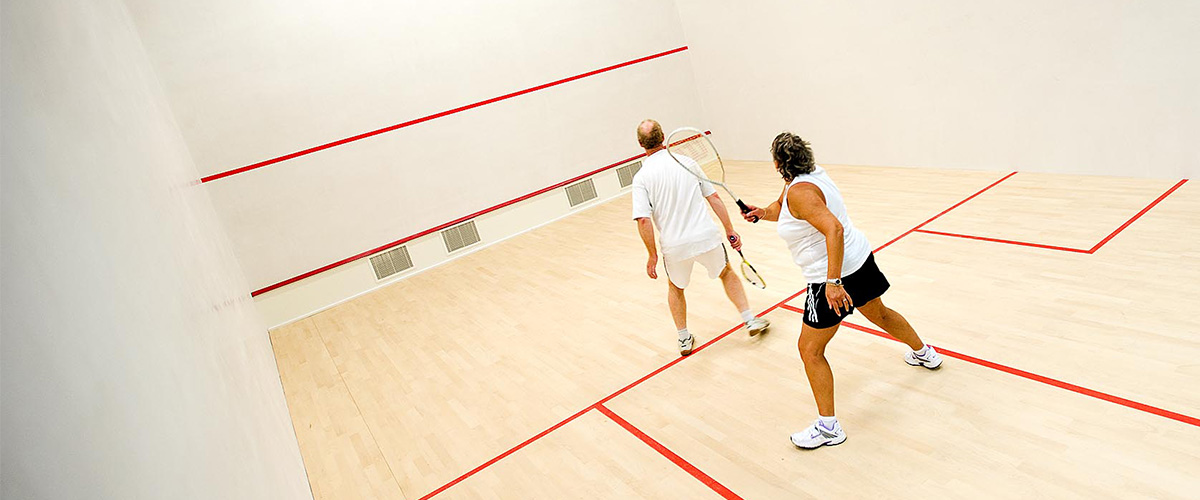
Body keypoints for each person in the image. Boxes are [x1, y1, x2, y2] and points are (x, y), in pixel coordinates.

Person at [741, 132, 943, 449]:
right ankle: (925, 354)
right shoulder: (810, 175)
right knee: (880, 313)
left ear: (778, 164)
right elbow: (782, 204)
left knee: (810, 350)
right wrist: (762, 212)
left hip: (831, 277)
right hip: (859, 260)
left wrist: (833, 283)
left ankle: (829, 428)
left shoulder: (800, 192)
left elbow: (832, 229)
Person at [631, 119, 770, 356]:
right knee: (726, 272)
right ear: (663, 137)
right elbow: (714, 197)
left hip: (675, 247)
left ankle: (684, 338)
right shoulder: (687, 163)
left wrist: (652, 255)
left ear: (640, 144)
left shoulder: (642, 178)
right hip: (705, 237)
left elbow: (643, 220)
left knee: (675, 287)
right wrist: (729, 230)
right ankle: (750, 320)